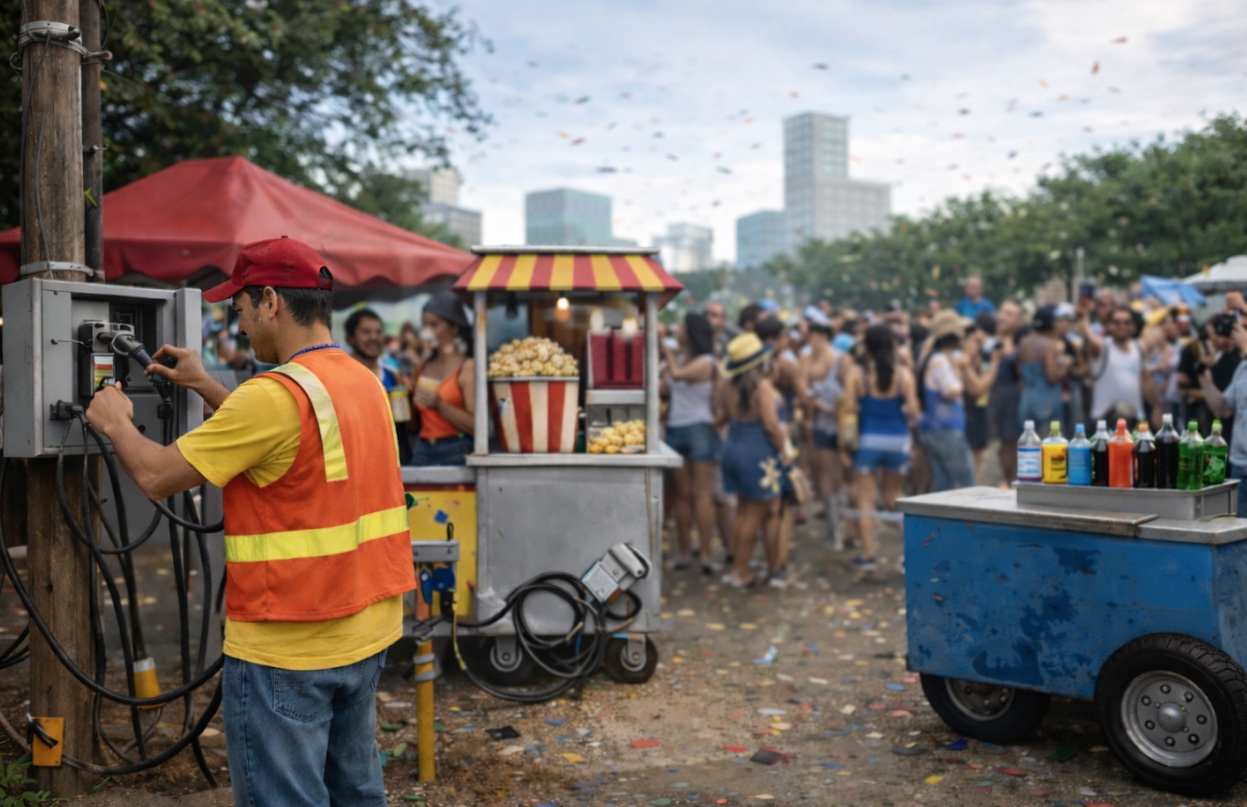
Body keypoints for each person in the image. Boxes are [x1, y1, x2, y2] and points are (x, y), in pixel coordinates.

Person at [84, 237, 414, 807]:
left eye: (238, 309)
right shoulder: (365, 382)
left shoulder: (270, 397)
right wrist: (209, 387)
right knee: (357, 794)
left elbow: (159, 475)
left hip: (289, 645)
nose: (238, 325)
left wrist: (114, 422)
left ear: (270, 301)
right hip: (364, 636)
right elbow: (285, 445)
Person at [844, 324, 919, 574]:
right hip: (898, 442)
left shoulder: (857, 374)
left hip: (868, 441)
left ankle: (868, 556)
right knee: (894, 496)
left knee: (865, 499)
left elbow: (849, 411)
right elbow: (913, 411)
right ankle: (912, 554)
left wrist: (845, 447)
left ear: (866, 346)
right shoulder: (904, 375)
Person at [716, 333, 787, 589]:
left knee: (744, 510)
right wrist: (785, 452)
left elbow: (721, 415)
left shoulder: (727, 385)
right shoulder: (762, 388)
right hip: (757, 451)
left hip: (733, 446)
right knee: (757, 513)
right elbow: (771, 425)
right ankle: (741, 571)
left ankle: (738, 566)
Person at [661, 312, 721, 574]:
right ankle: (688, 552)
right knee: (685, 496)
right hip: (681, 427)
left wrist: (665, 348)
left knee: (701, 495)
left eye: (682, 327)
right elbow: (665, 386)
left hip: (698, 428)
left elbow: (676, 374)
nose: (678, 330)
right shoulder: (684, 357)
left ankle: (704, 553)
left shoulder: (706, 361)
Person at [802, 310, 850, 547]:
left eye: (812, 336)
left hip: (844, 429)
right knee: (827, 479)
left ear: (821, 336)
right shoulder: (807, 360)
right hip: (822, 427)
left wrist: (830, 406)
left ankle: (848, 531)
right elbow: (803, 393)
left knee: (846, 479)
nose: (810, 341)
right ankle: (836, 532)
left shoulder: (841, 359)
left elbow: (851, 393)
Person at [411, 291, 476, 466]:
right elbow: (413, 425)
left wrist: (440, 404)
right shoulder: (422, 367)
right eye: (425, 325)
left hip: (455, 447)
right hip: (423, 447)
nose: (427, 332)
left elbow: (477, 426)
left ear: (454, 328)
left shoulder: (467, 367)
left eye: (434, 325)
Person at [916, 310, 977, 492]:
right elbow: (951, 390)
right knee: (965, 482)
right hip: (945, 430)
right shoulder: (940, 360)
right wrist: (960, 368)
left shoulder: (932, 356)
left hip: (935, 428)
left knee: (943, 483)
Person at [1198, 293, 1247, 513]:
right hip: (1240, 468)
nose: (1239, 332)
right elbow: (1223, 409)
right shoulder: (1242, 367)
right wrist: (1204, 379)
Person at [345, 308, 414, 465]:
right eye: (366, 332)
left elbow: (409, 425)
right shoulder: (341, 376)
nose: (374, 338)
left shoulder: (394, 375)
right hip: (357, 460)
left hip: (392, 460)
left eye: (378, 332)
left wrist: (411, 399)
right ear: (350, 338)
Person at [1081, 303, 1150, 427]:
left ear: (1133, 326)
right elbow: (1088, 337)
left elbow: (1146, 381)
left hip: (1135, 419)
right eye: (1117, 322)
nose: (1122, 326)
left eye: (1127, 322)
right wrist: (1083, 316)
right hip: (1104, 421)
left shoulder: (1139, 348)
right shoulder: (1102, 348)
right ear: (1110, 325)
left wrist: (1156, 408)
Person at [1179, 314, 1240, 442]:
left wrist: (1200, 393)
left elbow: (1228, 402)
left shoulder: (1237, 360)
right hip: (1213, 421)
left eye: (1213, 334)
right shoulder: (1216, 357)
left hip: (1230, 429)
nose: (1211, 340)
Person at [987, 299, 1024, 484]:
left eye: (1010, 314)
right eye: (1002, 312)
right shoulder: (985, 338)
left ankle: (1010, 480)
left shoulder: (1021, 343)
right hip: (989, 397)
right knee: (996, 444)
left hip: (1012, 399)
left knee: (1011, 442)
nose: (1003, 317)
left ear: (1018, 320)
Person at [1017, 305, 1070, 429]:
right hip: (1047, 400)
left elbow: (1019, 370)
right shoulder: (1049, 345)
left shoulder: (1024, 342)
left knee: (1029, 443)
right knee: (1050, 444)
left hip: (1027, 399)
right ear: (1051, 323)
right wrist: (1065, 366)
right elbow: (1052, 376)